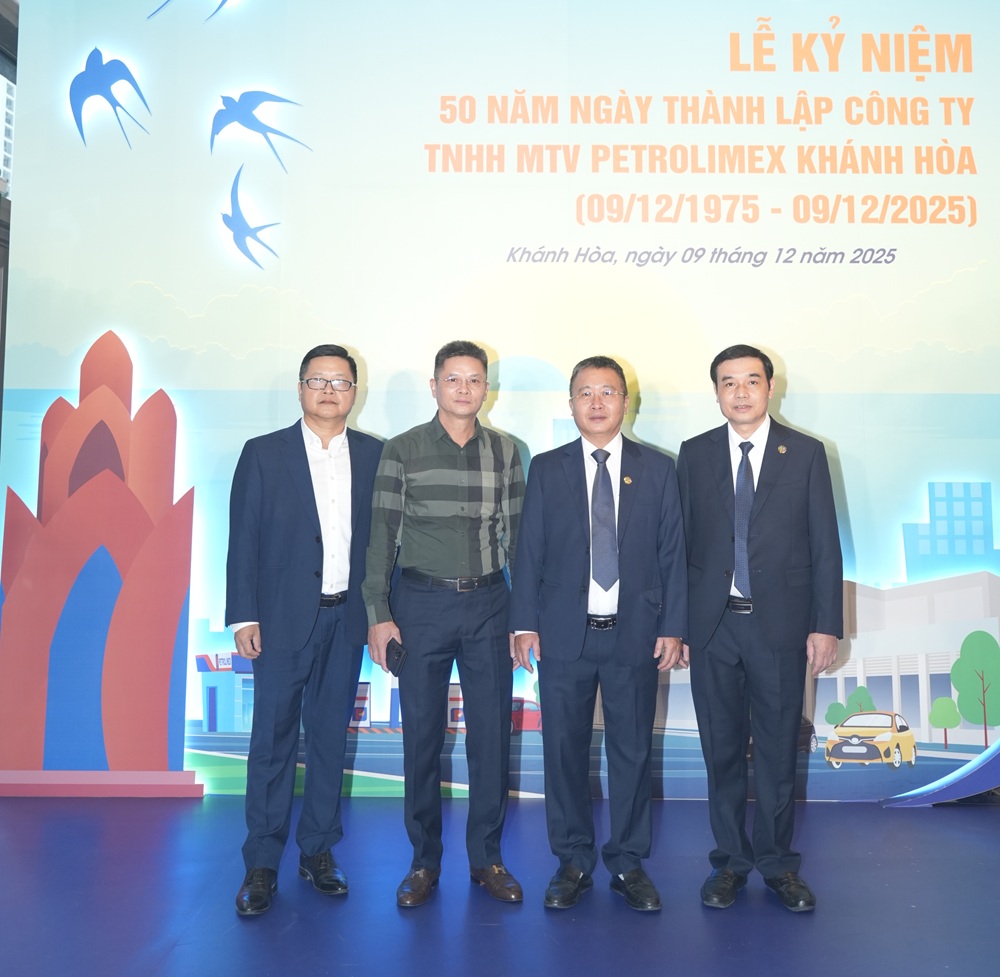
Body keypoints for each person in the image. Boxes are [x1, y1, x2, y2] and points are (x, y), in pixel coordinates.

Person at [509, 355, 687, 912]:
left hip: (636, 634)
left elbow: (673, 554)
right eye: (585, 392)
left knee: (632, 752)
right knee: (563, 751)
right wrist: (524, 623)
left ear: (626, 402)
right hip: (564, 634)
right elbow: (529, 549)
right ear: (570, 404)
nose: (597, 402)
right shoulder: (547, 468)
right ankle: (572, 860)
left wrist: (673, 627)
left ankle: (628, 862)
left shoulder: (658, 469)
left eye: (608, 392)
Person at [676, 343, 842, 913]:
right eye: (729, 382)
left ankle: (777, 864)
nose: (740, 392)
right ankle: (729, 862)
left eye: (751, 380)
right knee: (720, 752)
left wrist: (825, 624)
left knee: (776, 753)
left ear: (771, 387)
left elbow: (825, 545)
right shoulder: (694, 454)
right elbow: (680, 546)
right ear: (716, 392)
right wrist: (677, 625)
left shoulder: (807, 453)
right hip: (713, 627)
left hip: (781, 627)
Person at [363, 340, 525, 908]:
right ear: (434, 386)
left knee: (491, 738)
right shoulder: (402, 450)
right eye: (453, 379)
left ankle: (487, 860)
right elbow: (380, 538)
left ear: (487, 389)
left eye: (474, 379)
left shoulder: (506, 452)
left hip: (489, 606)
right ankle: (423, 862)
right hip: (420, 606)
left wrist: (524, 618)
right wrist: (379, 615)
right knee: (422, 738)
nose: (464, 389)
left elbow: (519, 541)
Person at [226, 344, 383, 916]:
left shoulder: (375, 455)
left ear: (354, 392)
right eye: (318, 380)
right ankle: (261, 862)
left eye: (340, 382)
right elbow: (243, 535)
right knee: (271, 741)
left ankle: (317, 850)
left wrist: (381, 615)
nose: (329, 391)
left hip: (346, 619)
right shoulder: (263, 453)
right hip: (281, 620)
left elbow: (383, 542)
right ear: (300, 388)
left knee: (329, 738)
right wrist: (244, 614)